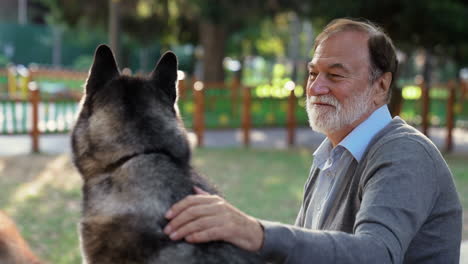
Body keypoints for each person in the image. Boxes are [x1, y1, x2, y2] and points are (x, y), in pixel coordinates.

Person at [163, 18, 462, 263]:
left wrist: (255, 232)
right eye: (313, 73)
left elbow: (376, 254)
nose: (316, 88)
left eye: (335, 75)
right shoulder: (330, 155)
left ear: (381, 86)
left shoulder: (404, 152)